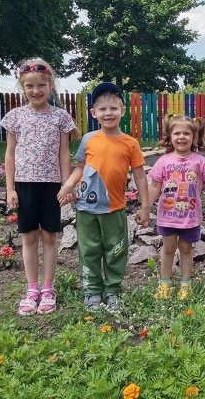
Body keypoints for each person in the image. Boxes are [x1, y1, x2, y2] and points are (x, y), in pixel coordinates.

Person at [57, 82, 150, 313]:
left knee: (115, 250)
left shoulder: (130, 143)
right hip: (86, 209)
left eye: (113, 108)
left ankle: (113, 291)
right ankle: (92, 291)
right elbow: (80, 168)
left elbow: (139, 176)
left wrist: (145, 206)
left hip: (114, 209)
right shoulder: (89, 139)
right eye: (102, 109)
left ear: (123, 111)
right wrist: (68, 184)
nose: (108, 113)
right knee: (88, 251)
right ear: (94, 113)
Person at [0, 58, 77, 316]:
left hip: (52, 186)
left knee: (50, 236)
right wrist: (10, 189)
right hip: (24, 185)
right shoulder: (15, 117)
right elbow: (10, 155)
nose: (36, 90)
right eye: (30, 86)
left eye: (41, 85)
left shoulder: (61, 117)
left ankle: (48, 288)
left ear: (50, 85)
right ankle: (32, 289)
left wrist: (67, 185)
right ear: (22, 87)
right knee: (29, 236)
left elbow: (64, 154)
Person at [148, 114, 205, 300]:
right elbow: (154, 186)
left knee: (186, 249)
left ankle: (185, 285)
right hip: (167, 216)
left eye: (186, 133)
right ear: (169, 136)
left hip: (190, 217)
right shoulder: (164, 161)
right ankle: (164, 284)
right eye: (177, 133)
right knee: (168, 249)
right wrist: (145, 208)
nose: (181, 137)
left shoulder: (199, 161)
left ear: (195, 137)